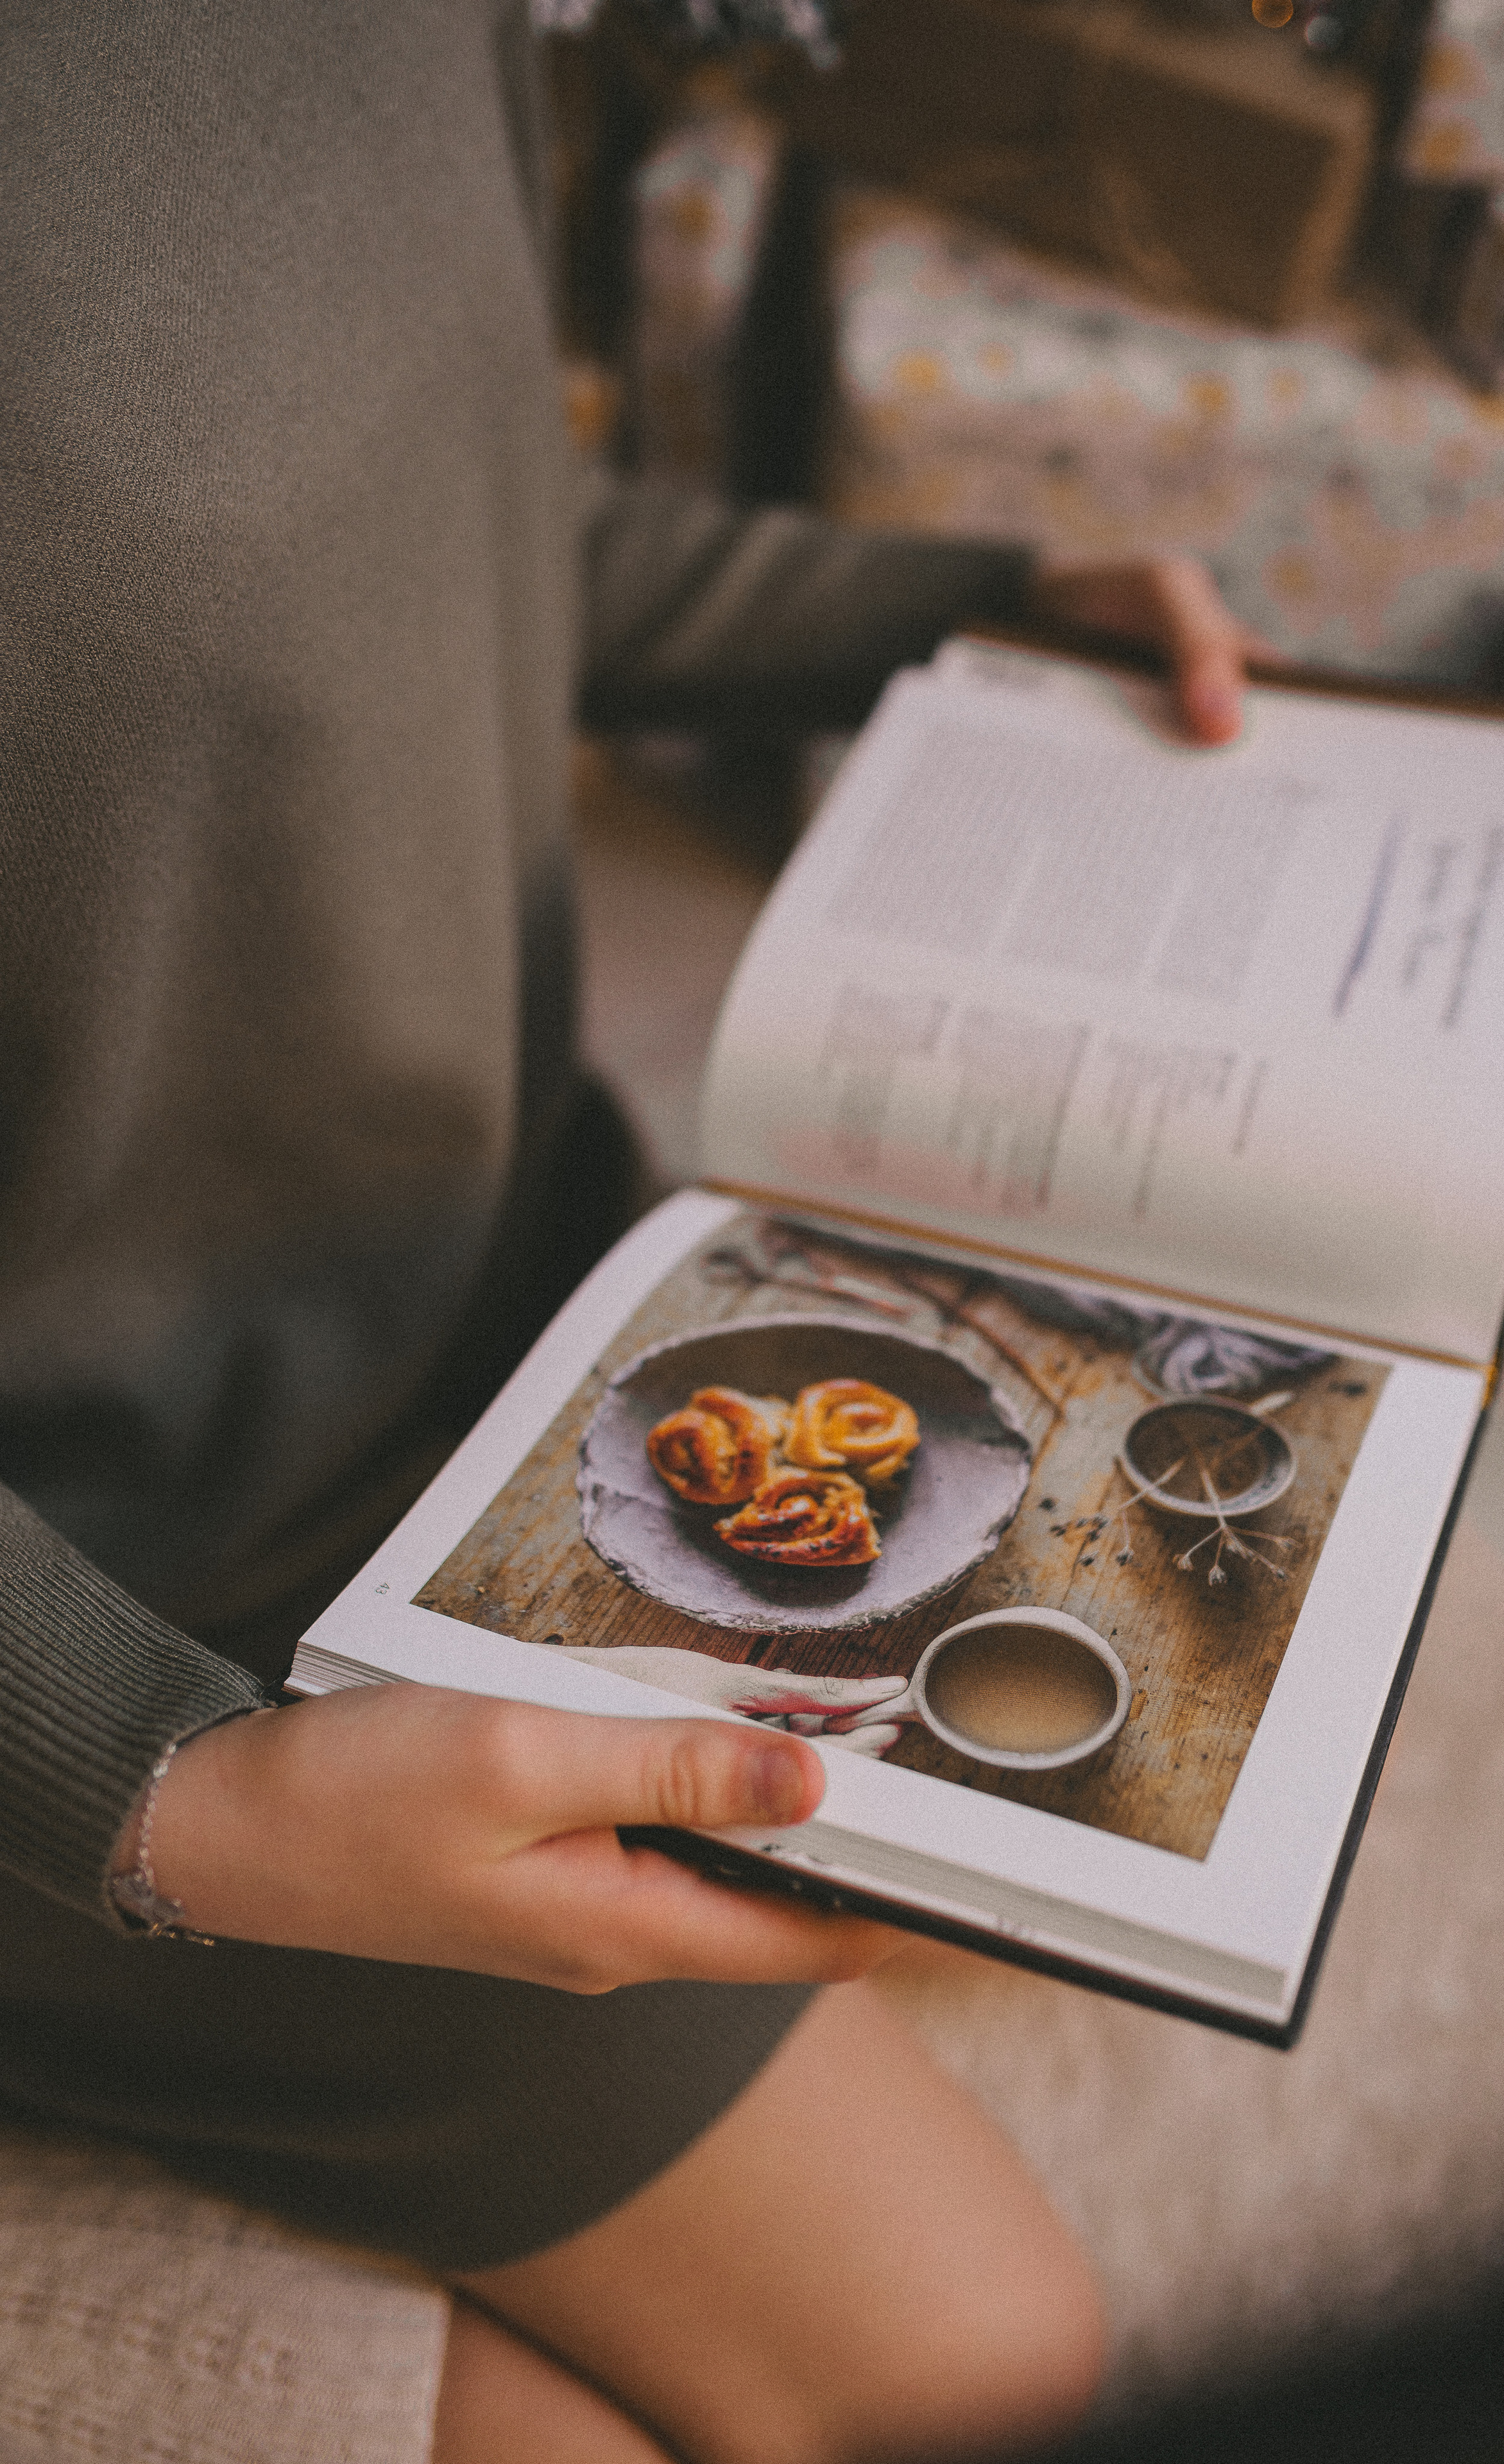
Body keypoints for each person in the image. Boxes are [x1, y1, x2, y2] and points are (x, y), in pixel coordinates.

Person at [1, 6, 1256, 2457]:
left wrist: (954, 611)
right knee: (976, 2372)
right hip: (112, 1588)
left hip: (517, 1318)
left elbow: (428, 518)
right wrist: (157, 1799)